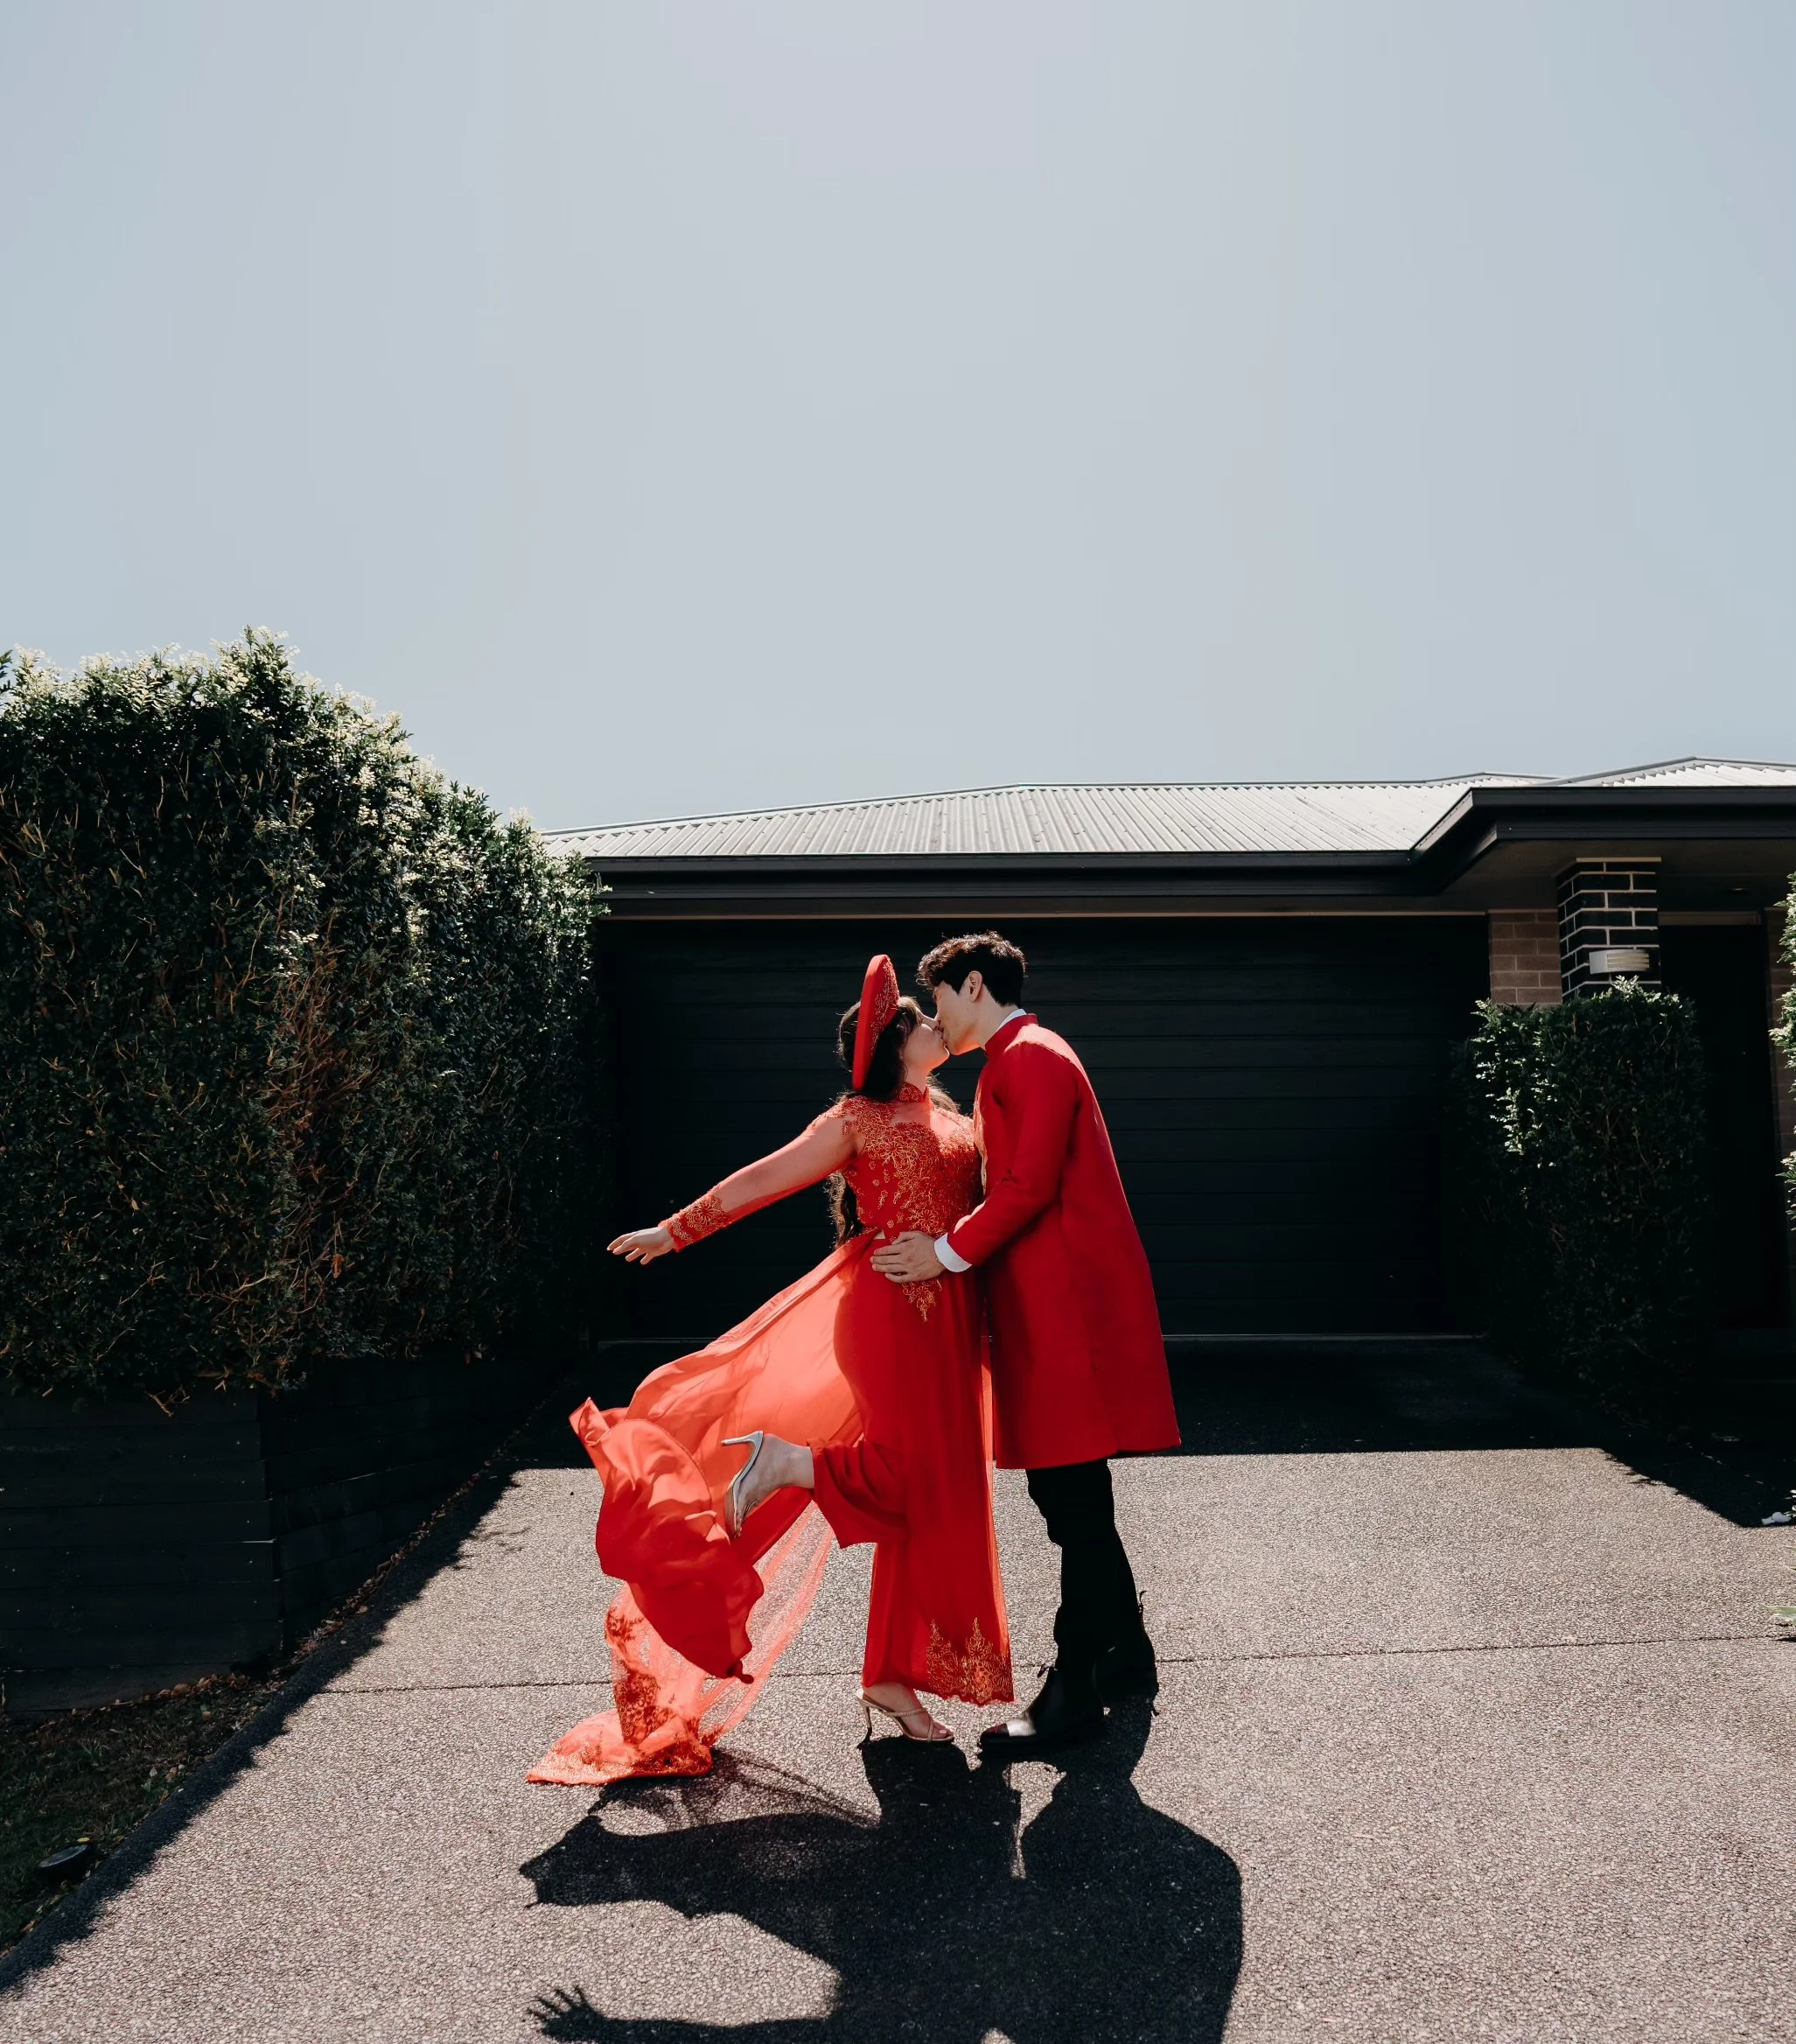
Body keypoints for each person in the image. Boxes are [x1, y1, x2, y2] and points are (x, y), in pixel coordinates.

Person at [528, 955, 1012, 1788]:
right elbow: (765, 1179)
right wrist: (674, 1231)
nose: (940, 1025)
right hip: (890, 1313)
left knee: (942, 1493)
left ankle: (890, 1679)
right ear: (894, 1042)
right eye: (922, 1019)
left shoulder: (947, 1112)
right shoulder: (855, 1118)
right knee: (907, 1474)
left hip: (952, 1320)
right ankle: (791, 1463)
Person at [871, 931, 1180, 1754]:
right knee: (1073, 1497)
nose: (936, 1016)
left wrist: (943, 1253)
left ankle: (1074, 1687)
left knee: (1071, 1501)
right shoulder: (1014, 1061)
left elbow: (1027, 1183)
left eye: (939, 997)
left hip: (1063, 1315)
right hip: (1047, 1310)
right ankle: (1126, 1657)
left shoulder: (1031, 1058)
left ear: (973, 986)